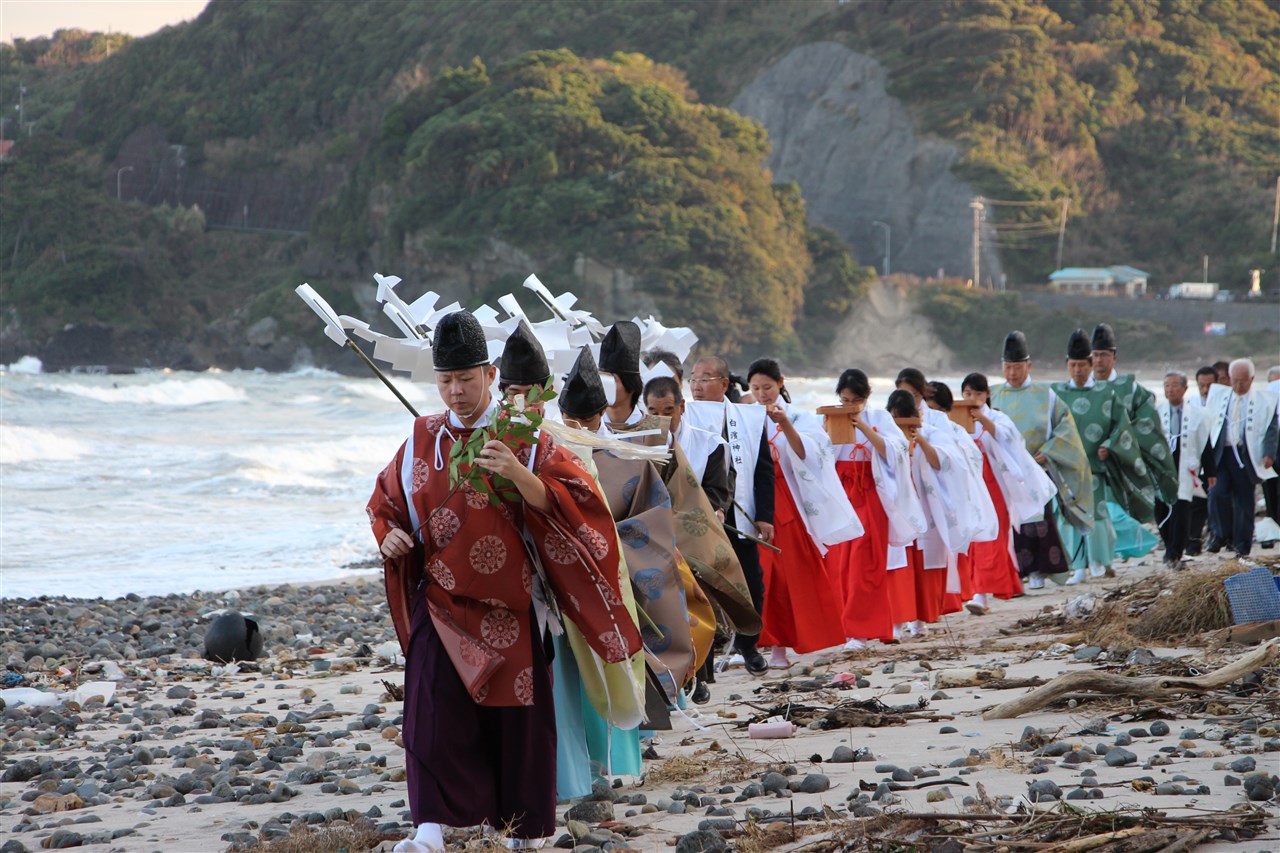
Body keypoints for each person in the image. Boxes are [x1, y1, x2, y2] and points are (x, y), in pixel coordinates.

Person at [369, 311, 640, 852]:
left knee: (516, 726)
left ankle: (521, 832)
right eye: (445, 380)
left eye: (466, 379)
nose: (455, 391)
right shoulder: (424, 436)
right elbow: (387, 501)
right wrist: (388, 536)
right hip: (441, 599)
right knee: (428, 710)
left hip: (513, 605)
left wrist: (521, 476)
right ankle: (428, 831)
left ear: (490, 376)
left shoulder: (528, 435)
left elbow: (581, 504)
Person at [748, 358, 860, 665]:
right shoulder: (744, 414)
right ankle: (754, 644)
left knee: (786, 576)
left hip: (785, 500)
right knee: (757, 575)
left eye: (767, 387)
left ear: (781, 383)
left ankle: (780, 646)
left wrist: (784, 424)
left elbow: (810, 453)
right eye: (756, 388)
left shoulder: (798, 416)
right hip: (752, 500)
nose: (762, 393)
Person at [643, 374, 731, 703]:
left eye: (669, 409)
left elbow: (717, 492)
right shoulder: (635, 442)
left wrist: (713, 511)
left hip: (692, 536)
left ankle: (700, 675)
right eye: (654, 410)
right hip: (651, 535)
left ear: (681, 407)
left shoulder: (707, 442)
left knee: (695, 604)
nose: (663, 418)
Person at [823, 369, 923, 649]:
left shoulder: (879, 418)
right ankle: (845, 628)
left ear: (866, 398)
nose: (848, 405)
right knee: (841, 563)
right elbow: (820, 457)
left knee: (865, 564)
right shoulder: (832, 417)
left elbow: (899, 450)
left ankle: (861, 631)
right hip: (843, 493)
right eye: (844, 399)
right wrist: (824, 431)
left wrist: (863, 427)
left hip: (871, 493)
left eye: (855, 400)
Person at [686, 356, 773, 676]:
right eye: (693, 378)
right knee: (702, 587)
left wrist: (765, 516)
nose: (696, 385)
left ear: (724, 384)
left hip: (740, 514)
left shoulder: (747, 418)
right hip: (700, 516)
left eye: (705, 378)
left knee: (750, 584)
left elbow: (764, 469)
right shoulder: (682, 413)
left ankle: (749, 646)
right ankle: (704, 662)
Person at [989, 331, 1093, 589]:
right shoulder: (992, 394)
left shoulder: (1046, 394)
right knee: (1010, 523)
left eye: (1017, 367)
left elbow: (1066, 427)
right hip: (1004, 470)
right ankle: (1014, 572)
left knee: (1038, 522)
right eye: (1008, 367)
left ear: (1029, 366)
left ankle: (1039, 571)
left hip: (1037, 467)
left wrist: (1048, 451)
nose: (1012, 373)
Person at [1052, 329, 1155, 584]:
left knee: (1097, 515)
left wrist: (1109, 445)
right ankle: (1077, 567)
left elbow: (1122, 427)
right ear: (1067, 365)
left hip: (1095, 466)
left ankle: (1101, 561)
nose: (1077, 370)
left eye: (1081, 365)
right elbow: (1048, 428)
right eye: (1072, 365)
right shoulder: (1055, 394)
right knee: (1070, 516)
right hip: (1067, 468)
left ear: (1090, 365)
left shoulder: (1106, 393)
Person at [959, 373, 1057, 613]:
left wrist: (982, 418)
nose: (973, 398)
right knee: (972, 538)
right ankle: (984, 588)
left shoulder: (997, 417)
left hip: (994, 484)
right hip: (969, 485)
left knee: (992, 536)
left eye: (978, 394)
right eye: (968, 394)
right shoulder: (957, 420)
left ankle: (980, 594)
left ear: (987, 395)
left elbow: (1010, 439)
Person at [1090, 324, 1176, 560]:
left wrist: (1115, 443)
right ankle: (1099, 556)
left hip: (1122, 460)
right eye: (1095, 355)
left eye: (1104, 355)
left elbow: (1145, 423)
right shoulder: (1081, 387)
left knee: (1118, 509)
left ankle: (1122, 550)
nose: (1099, 360)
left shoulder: (1131, 388)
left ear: (1114, 357)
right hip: (1089, 459)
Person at [1204, 358, 1279, 557]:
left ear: (1252, 379)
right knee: (1217, 493)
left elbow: (1272, 428)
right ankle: (1221, 534)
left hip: (1246, 455)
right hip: (1223, 454)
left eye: (1243, 381)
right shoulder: (1219, 395)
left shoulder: (1265, 401)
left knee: (1244, 503)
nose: (1238, 385)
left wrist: (1268, 453)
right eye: (1234, 380)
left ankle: (1242, 547)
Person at [1155, 371, 1216, 569]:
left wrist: (1211, 471)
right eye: (1166, 386)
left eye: (1174, 385)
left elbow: (1205, 443)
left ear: (1185, 388)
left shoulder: (1198, 414)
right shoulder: (1157, 411)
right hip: (1162, 466)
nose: (1170, 389)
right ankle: (1168, 545)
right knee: (1160, 508)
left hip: (1185, 463)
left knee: (1181, 508)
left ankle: (1175, 552)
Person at [600, 321, 646, 427]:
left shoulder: (657, 433)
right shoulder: (587, 427)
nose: (604, 385)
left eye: (612, 379)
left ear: (631, 385)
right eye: (601, 378)